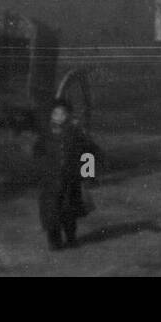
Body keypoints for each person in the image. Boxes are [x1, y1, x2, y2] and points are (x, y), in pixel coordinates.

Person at [32, 98, 100, 251]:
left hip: (70, 179)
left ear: (68, 115)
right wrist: (42, 169)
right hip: (50, 181)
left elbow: (88, 152)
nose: (59, 116)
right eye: (55, 113)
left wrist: (88, 175)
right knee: (51, 212)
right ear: (51, 115)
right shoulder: (46, 134)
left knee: (69, 211)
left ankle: (71, 237)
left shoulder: (76, 133)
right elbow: (37, 153)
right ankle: (54, 241)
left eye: (62, 113)